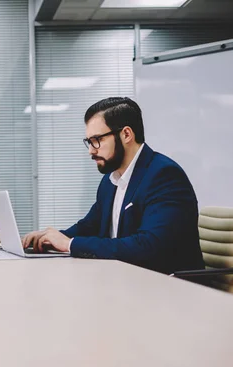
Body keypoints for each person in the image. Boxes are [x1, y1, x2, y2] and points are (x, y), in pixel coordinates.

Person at [23, 97, 204, 274]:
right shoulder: (111, 179)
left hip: (168, 288)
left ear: (126, 134)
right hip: (124, 279)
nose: (91, 150)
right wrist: (51, 239)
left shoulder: (163, 175)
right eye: (89, 142)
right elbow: (89, 226)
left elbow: (149, 246)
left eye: (97, 140)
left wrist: (69, 244)